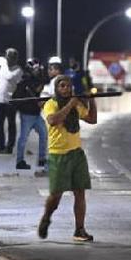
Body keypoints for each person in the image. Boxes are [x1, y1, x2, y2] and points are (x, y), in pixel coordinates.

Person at [37, 75, 97, 242]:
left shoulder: (76, 104)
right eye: (62, 86)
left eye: (68, 86)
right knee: (55, 197)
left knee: (80, 192)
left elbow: (92, 119)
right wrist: (71, 104)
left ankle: (79, 230)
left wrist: (92, 100)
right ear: (56, 88)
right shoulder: (51, 104)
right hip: (58, 154)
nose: (66, 89)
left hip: (76, 153)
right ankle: (46, 217)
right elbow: (53, 120)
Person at [12, 59, 48, 170]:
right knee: (23, 138)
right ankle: (19, 161)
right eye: (35, 69)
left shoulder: (38, 80)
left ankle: (42, 159)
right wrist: (25, 106)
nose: (38, 71)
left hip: (36, 115)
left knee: (44, 134)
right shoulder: (24, 83)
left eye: (38, 69)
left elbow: (41, 85)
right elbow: (15, 99)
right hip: (27, 115)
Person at [0, 48, 23, 154]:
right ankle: (1, 146)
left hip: (10, 102)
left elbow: (20, 87)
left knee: (11, 124)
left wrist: (16, 100)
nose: (9, 58)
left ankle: (9, 147)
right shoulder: (3, 67)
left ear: (15, 58)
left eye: (11, 57)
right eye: (8, 56)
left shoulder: (18, 70)